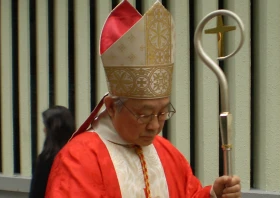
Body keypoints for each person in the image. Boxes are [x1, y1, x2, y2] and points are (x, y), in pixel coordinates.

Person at [45, 1, 241, 197]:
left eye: (162, 112)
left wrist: (214, 194)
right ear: (112, 107)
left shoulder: (166, 152)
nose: (155, 126)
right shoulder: (79, 158)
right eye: (144, 114)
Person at [29, 106, 76, 198]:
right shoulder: (79, 156)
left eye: (46, 126)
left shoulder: (46, 160)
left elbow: (37, 193)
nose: (44, 130)